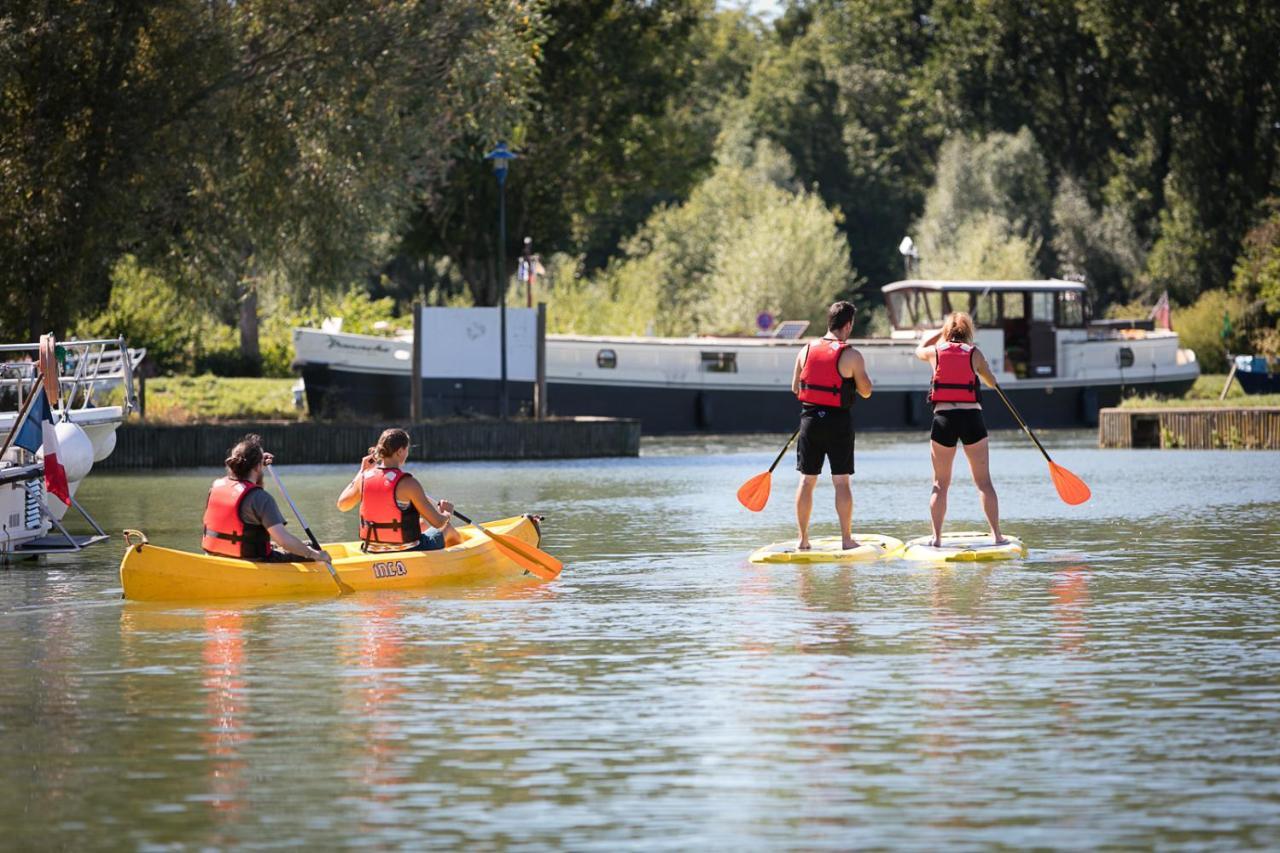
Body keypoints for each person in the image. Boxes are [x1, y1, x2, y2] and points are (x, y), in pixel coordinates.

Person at [914, 311, 1006, 547]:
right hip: (971, 418)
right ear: (968, 332)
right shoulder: (974, 353)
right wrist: (984, 373)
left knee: (940, 484)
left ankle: (936, 538)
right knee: (984, 483)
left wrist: (936, 334)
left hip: (944, 419)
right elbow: (991, 381)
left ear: (946, 332)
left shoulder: (935, 351)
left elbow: (919, 349)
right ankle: (997, 536)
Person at [791, 301, 874, 550]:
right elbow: (867, 391)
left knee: (807, 481)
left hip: (810, 421)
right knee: (841, 482)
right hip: (838, 422)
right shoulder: (851, 355)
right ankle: (846, 540)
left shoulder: (805, 350)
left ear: (829, 322)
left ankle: (803, 540)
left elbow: (796, 388)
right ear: (847, 325)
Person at [201, 434, 331, 563]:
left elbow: (247, 487)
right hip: (254, 560)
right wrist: (315, 555)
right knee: (311, 547)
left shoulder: (216, 486)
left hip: (214, 555)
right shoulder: (261, 499)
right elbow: (284, 540)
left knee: (300, 545)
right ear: (258, 466)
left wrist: (257, 463)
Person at [336, 428, 462, 552]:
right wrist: (446, 513)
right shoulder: (408, 483)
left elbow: (342, 505)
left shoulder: (364, 478)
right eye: (407, 449)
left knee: (422, 524)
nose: (407, 454)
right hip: (408, 551)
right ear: (400, 451)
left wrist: (361, 471)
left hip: (371, 549)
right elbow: (438, 522)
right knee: (447, 528)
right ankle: (454, 564)